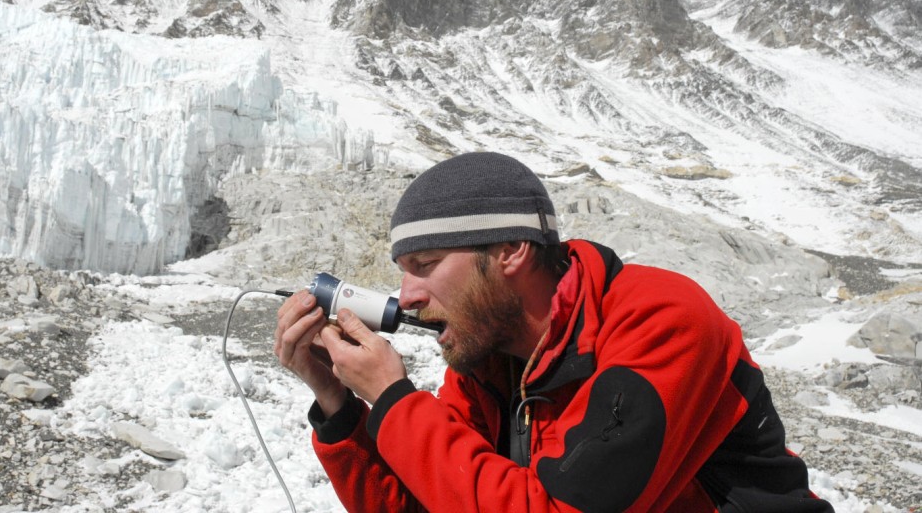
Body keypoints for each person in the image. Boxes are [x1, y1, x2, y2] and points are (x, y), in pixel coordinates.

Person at [274, 151, 834, 512]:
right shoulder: (487, 359)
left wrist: (396, 399)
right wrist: (339, 405)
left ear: (511, 251)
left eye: (426, 264)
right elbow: (429, 500)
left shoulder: (661, 319)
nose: (408, 294)